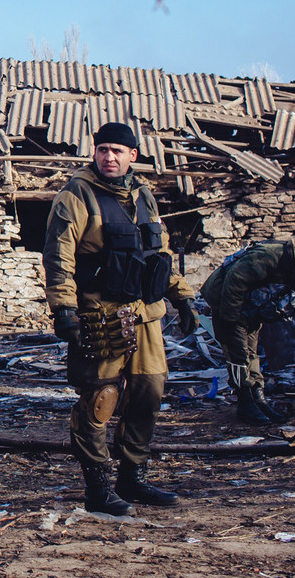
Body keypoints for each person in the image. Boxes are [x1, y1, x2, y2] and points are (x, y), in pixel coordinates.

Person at [42, 121, 197, 516]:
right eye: (102, 149)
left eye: (117, 150)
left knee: (148, 394)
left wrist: (183, 298)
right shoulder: (75, 195)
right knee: (100, 399)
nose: (109, 157)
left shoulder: (144, 195)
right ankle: (98, 487)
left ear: (134, 156)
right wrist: (64, 309)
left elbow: (157, 255)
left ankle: (133, 478)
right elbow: (58, 257)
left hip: (146, 315)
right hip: (100, 313)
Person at [200, 239, 295, 424]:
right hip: (225, 300)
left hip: (250, 306)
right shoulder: (269, 257)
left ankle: (258, 399)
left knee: (251, 352)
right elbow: (235, 281)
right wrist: (230, 320)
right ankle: (245, 402)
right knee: (238, 353)